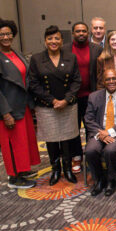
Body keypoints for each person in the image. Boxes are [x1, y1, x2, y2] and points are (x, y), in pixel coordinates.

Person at [0, 18, 40, 189]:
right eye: (1, 34)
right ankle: (14, 178)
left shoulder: (15, 53)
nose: (6, 37)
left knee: (23, 141)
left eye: (8, 33)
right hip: (7, 109)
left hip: (21, 105)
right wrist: (6, 113)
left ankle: (22, 171)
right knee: (11, 143)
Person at [29, 25, 81, 186]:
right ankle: (56, 169)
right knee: (51, 139)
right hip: (46, 106)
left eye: (57, 38)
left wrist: (66, 100)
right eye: (50, 38)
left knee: (67, 138)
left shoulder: (70, 57)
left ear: (61, 40)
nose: (54, 41)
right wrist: (52, 100)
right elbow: (34, 84)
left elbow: (76, 81)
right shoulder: (37, 59)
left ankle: (67, 168)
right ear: (45, 41)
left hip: (67, 105)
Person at [84, 69, 116, 197]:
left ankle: (111, 180)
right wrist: (100, 134)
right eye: (108, 79)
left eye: (114, 78)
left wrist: (110, 132)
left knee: (110, 150)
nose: (111, 81)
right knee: (90, 150)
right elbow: (88, 119)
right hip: (99, 133)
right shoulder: (94, 97)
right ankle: (99, 180)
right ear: (103, 81)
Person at [63, 22, 102, 174]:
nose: (81, 33)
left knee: (91, 127)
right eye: (78, 31)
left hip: (91, 96)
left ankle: (91, 155)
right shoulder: (65, 49)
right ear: (73, 33)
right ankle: (77, 156)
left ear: (88, 33)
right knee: (73, 129)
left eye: (84, 31)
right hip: (71, 97)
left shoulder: (96, 49)